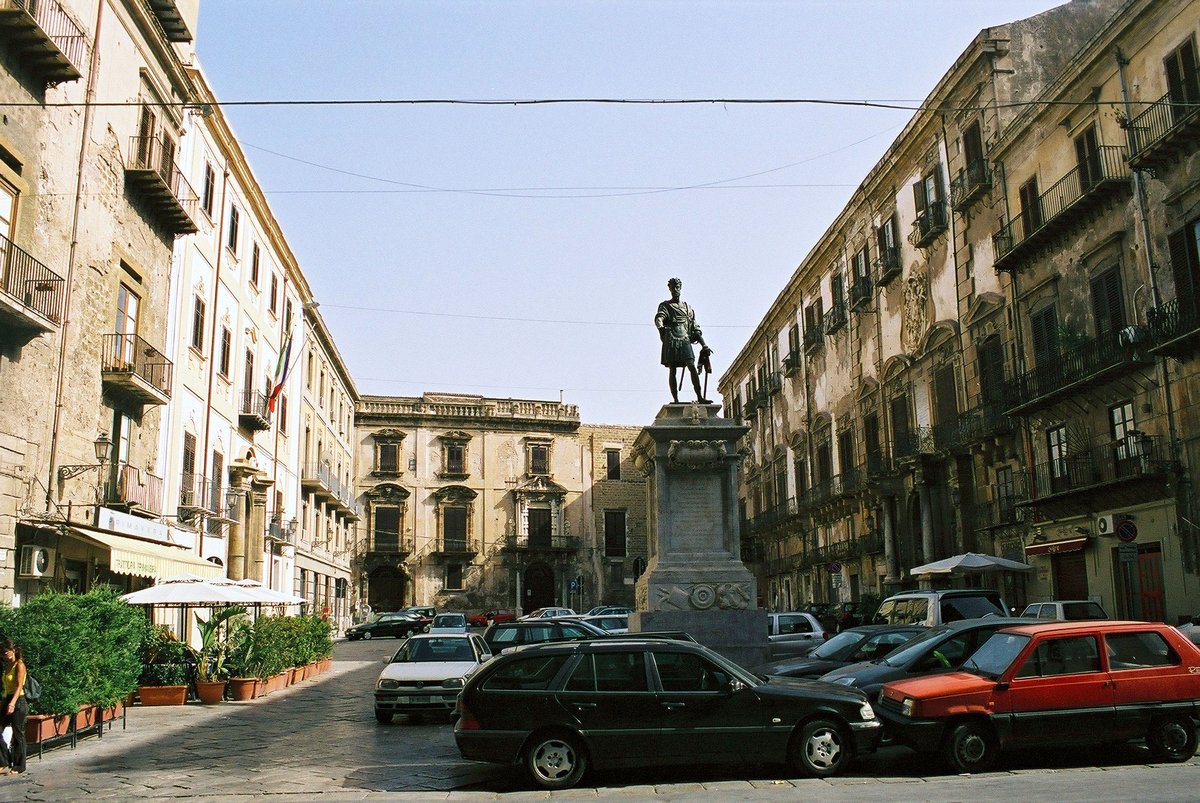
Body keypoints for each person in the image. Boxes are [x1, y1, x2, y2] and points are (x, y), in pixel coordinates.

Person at [654, 277, 712, 404]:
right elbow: (659, 317)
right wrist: (660, 327)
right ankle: (675, 400)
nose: (675, 290)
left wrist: (704, 345)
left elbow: (696, 329)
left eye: (677, 287)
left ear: (680, 288)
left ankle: (700, 397)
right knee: (673, 369)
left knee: (691, 366)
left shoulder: (687, 308)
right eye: (672, 288)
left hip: (685, 339)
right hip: (672, 339)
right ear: (669, 289)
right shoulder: (665, 306)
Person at [0, 640, 27, 776]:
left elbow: (19, 686)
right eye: (3, 652)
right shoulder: (7, 666)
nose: (5, 653)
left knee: (18, 734)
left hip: (18, 701)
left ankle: (19, 765)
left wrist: (12, 703)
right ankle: (3, 761)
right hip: (7, 699)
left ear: (14, 650)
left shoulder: (19, 665)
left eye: (7, 650)